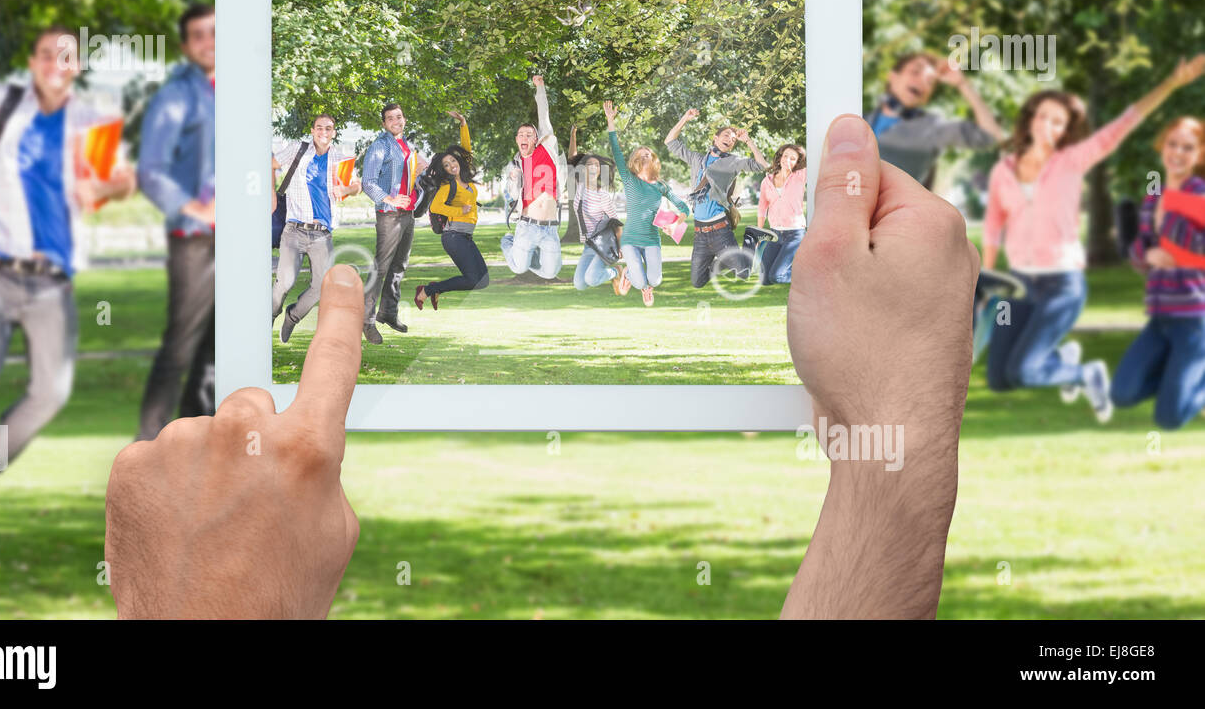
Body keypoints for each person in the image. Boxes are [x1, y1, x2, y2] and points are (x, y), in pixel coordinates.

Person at [104, 115, 977, 619]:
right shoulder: (416, 160)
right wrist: (889, 461)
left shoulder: (492, 162)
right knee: (437, 273)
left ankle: (398, 306)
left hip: (475, 224)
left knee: (484, 272)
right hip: (398, 222)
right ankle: (378, 307)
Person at [0, 25, 136, 512]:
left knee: (51, 393)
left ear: (77, 66)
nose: (55, 64)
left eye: (65, 56)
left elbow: (123, 182)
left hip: (51, 285)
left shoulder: (92, 120)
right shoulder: (0, 101)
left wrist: (101, 191)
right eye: (45, 54)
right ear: (33, 61)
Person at [982, 56, 1205, 420]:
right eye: (1043, 116)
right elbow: (992, 224)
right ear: (1030, 119)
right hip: (1016, 285)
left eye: (1059, 121)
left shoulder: (1074, 160)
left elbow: (1126, 122)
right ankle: (1062, 359)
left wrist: (1171, 83)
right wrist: (989, 280)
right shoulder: (1002, 170)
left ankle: (1084, 373)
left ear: (1065, 130)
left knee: (1024, 370)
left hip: (1061, 284)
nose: (1048, 125)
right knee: (1000, 379)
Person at [135, 3, 217, 442]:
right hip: (195, 240)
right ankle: (144, 447)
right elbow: (151, 168)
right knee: (182, 344)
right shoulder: (176, 95)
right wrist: (196, 209)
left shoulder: (242, 89)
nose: (210, 42)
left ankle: (192, 445)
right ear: (187, 46)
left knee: (216, 349)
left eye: (216, 31)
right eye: (199, 35)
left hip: (238, 241)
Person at [1111, 116, 1205, 429]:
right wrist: (1147, 253)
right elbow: (1139, 251)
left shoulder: (1199, 194)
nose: (1178, 152)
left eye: (1188, 147)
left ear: (1200, 154)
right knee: (1122, 394)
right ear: (1162, 146)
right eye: (1172, 144)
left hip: (1194, 318)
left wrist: (1171, 223)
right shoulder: (1154, 195)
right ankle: (1175, 381)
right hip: (1160, 315)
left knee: (1169, 419)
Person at [270, 114, 361, 343]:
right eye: (319, 128)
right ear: (312, 130)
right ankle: (269, 314)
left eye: (328, 128)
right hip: (294, 230)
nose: (323, 132)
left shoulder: (341, 158)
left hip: (321, 234)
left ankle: (293, 316)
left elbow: (356, 186)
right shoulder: (298, 150)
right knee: (285, 282)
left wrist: (346, 191)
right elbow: (269, 163)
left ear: (334, 132)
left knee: (321, 287)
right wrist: (271, 193)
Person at [665, 108, 769, 288]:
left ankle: (751, 236)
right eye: (727, 135)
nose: (730, 139)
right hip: (700, 234)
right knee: (698, 282)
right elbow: (670, 141)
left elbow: (762, 165)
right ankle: (719, 261)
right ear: (715, 137)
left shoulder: (733, 162)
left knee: (743, 272)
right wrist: (684, 119)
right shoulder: (697, 159)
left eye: (734, 139)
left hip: (720, 231)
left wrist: (749, 141)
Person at [865, 52, 1003, 188]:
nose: (922, 81)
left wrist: (962, 84)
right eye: (915, 72)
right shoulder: (860, 118)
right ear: (893, 77)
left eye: (930, 81)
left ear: (928, 96)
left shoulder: (933, 128)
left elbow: (990, 135)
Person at [604, 101, 691, 307]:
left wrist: (676, 224)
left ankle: (642, 282)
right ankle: (632, 276)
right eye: (641, 153)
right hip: (630, 239)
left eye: (648, 153)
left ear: (653, 159)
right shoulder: (629, 179)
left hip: (651, 239)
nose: (645, 155)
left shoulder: (661, 186)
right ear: (635, 159)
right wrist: (611, 121)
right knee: (641, 281)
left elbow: (685, 208)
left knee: (655, 280)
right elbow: (616, 151)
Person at [359, 101, 429, 344]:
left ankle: (388, 313)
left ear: (404, 119)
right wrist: (389, 198)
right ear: (384, 123)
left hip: (408, 215)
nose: (395, 121)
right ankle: (366, 322)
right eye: (390, 118)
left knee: (399, 266)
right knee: (381, 269)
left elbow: (411, 176)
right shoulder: (380, 147)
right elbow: (368, 181)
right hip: (389, 215)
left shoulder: (408, 146)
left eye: (399, 116)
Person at [415, 110, 489, 309]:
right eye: (446, 165)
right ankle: (427, 290)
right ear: (444, 170)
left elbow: (466, 150)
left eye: (453, 161)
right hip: (453, 236)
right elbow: (436, 206)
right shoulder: (447, 186)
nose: (451, 165)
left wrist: (463, 124)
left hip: (465, 236)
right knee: (473, 279)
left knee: (483, 279)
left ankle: (435, 288)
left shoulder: (465, 179)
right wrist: (460, 212)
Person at [500, 75, 565, 281]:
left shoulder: (545, 150)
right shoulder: (516, 165)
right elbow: (511, 195)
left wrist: (540, 88)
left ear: (536, 139)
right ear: (516, 140)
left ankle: (531, 255)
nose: (525, 137)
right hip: (526, 226)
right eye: (521, 135)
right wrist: (513, 179)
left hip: (550, 228)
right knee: (519, 268)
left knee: (550, 272)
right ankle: (508, 241)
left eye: (529, 134)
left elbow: (543, 115)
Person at [567, 122, 620, 291]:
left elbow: (616, 222)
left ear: (599, 171)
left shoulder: (602, 194)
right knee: (580, 284)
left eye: (596, 165)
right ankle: (610, 273)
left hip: (604, 244)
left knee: (591, 278)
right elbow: (571, 159)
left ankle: (615, 272)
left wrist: (621, 246)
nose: (593, 167)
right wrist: (573, 135)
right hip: (589, 245)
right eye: (589, 164)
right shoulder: (579, 186)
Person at [749, 143, 808, 284]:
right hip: (775, 234)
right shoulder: (767, 181)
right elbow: (762, 208)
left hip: (795, 234)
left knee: (777, 276)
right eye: (786, 156)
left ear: (797, 162)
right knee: (764, 279)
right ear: (780, 156)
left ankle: (807, 274)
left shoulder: (800, 176)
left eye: (793, 158)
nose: (787, 160)